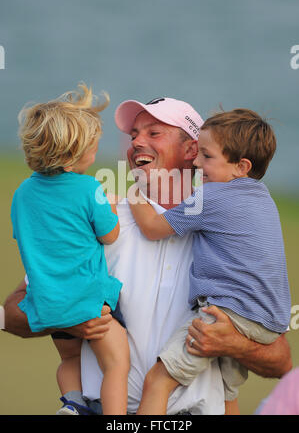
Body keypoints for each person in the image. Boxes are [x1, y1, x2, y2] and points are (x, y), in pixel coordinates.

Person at [3, 97, 292, 415]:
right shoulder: (101, 219)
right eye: (133, 135)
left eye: (154, 133)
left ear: (193, 151)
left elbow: (281, 361)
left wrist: (234, 343)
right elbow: (12, 314)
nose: (137, 142)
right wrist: (73, 322)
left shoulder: (229, 232)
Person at [128, 107, 292, 415]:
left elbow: (152, 228)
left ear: (241, 166)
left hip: (227, 313)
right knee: (226, 393)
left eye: (207, 156)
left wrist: (136, 193)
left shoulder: (211, 197)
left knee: (158, 381)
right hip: (267, 321)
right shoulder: (264, 198)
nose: (197, 162)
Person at [10, 84, 130, 415]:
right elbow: (110, 235)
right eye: (93, 146)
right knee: (118, 364)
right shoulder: (89, 188)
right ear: (74, 153)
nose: (97, 151)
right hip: (88, 301)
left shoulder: (22, 194)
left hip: (47, 304)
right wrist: (113, 208)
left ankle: (73, 404)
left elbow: (30, 238)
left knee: (69, 359)